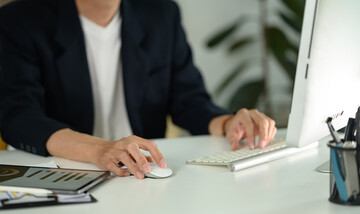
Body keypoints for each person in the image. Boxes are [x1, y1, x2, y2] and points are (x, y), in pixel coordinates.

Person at [0, 0, 277, 179]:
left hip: (141, 176)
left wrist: (230, 123)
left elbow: (188, 99)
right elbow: (19, 116)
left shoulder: (160, 13)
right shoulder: (19, 20)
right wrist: (102, 149)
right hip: (65, 172)